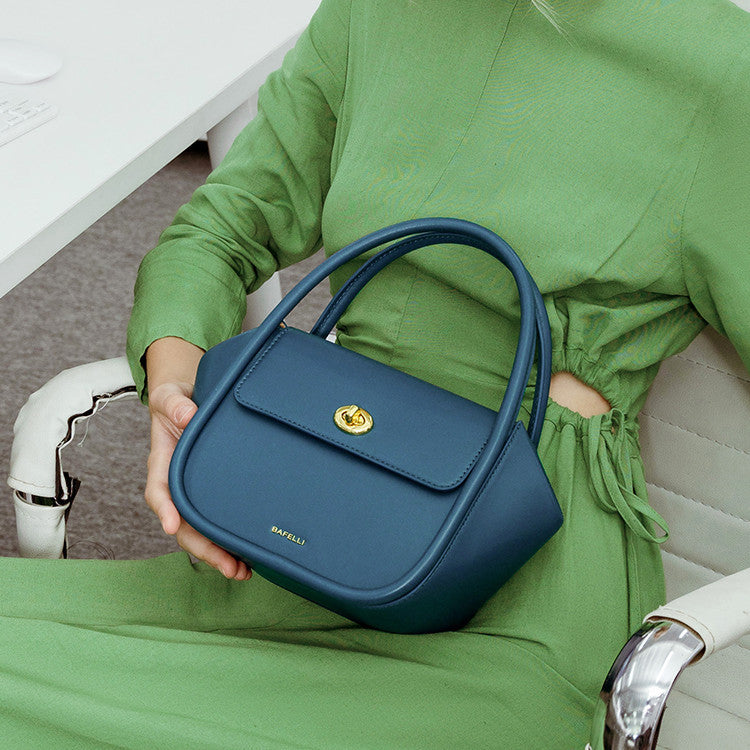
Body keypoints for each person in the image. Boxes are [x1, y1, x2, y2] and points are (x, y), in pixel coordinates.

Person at [2, 0, 749, 747]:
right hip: (312, 514)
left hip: (521, 591)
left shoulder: (726, 72)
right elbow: (223, 228)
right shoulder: (380, 12)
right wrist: (174, 394)